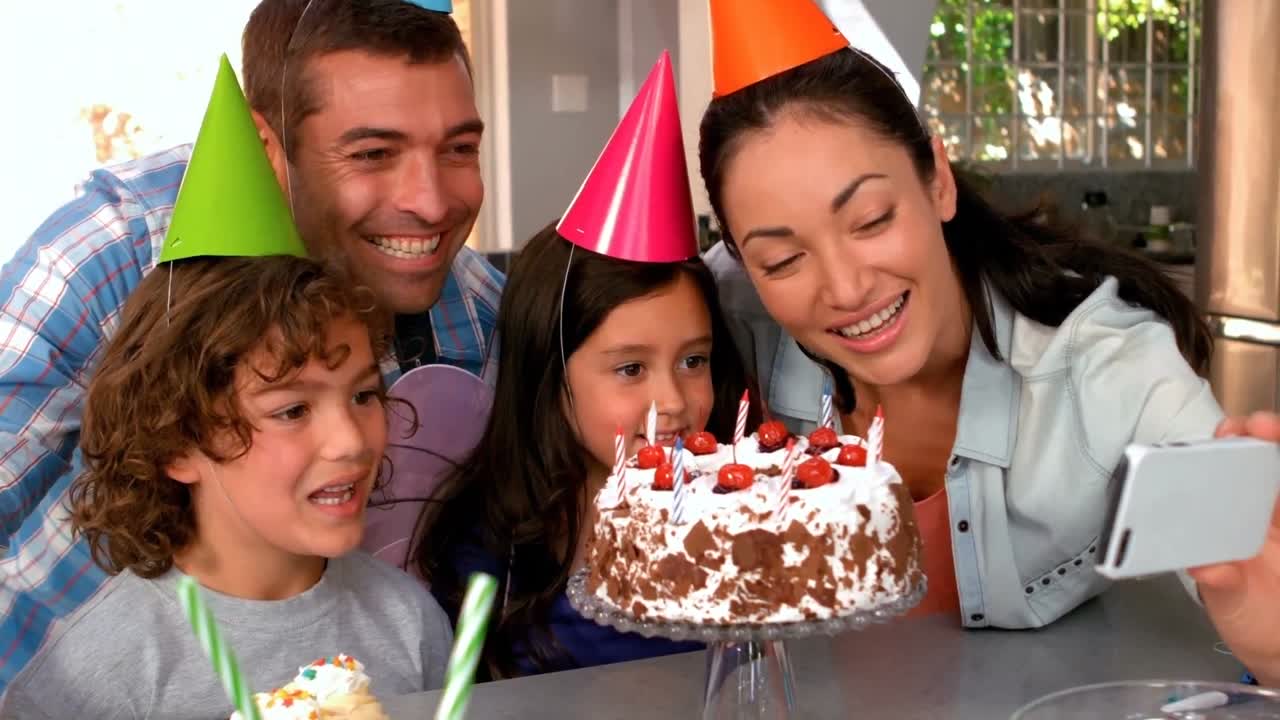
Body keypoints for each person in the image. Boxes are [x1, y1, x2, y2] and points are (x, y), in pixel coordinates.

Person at [698, 0, 1280, 679]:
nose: (847, 288)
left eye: (870, 219)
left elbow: (1248, 565)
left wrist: (1269, 640)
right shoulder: (728, 316)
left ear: (937, 180)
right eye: (783, 261)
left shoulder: (1110, 371)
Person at [0, 0, 500, 692]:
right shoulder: (108, 253)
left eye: (458, 149)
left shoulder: (476, 310)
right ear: (270, 149)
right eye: (373, 154)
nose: (432, 202)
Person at [414, 55, 760, 678]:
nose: (674, 401)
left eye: (693, 359)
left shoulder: (747, 515)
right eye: (630, 369)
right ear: (551, 376)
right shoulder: (492, 553)